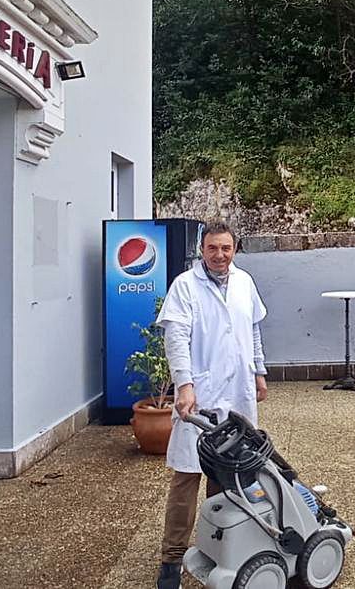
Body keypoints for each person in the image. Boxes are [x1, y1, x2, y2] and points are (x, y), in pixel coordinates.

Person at [155, 220, 268, 589]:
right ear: (201, 250)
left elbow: (252, 329)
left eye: (226, 248)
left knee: (225, 473)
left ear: (234, 249)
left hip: (236, 391)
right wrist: (184, 386)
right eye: (212, 249)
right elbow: (176, 338)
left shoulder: (244, 282)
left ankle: (216, 548)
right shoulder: (185, 287)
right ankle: (172, 558)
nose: (219, 255)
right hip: (199, 394)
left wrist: (259, 371)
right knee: (187, 476)